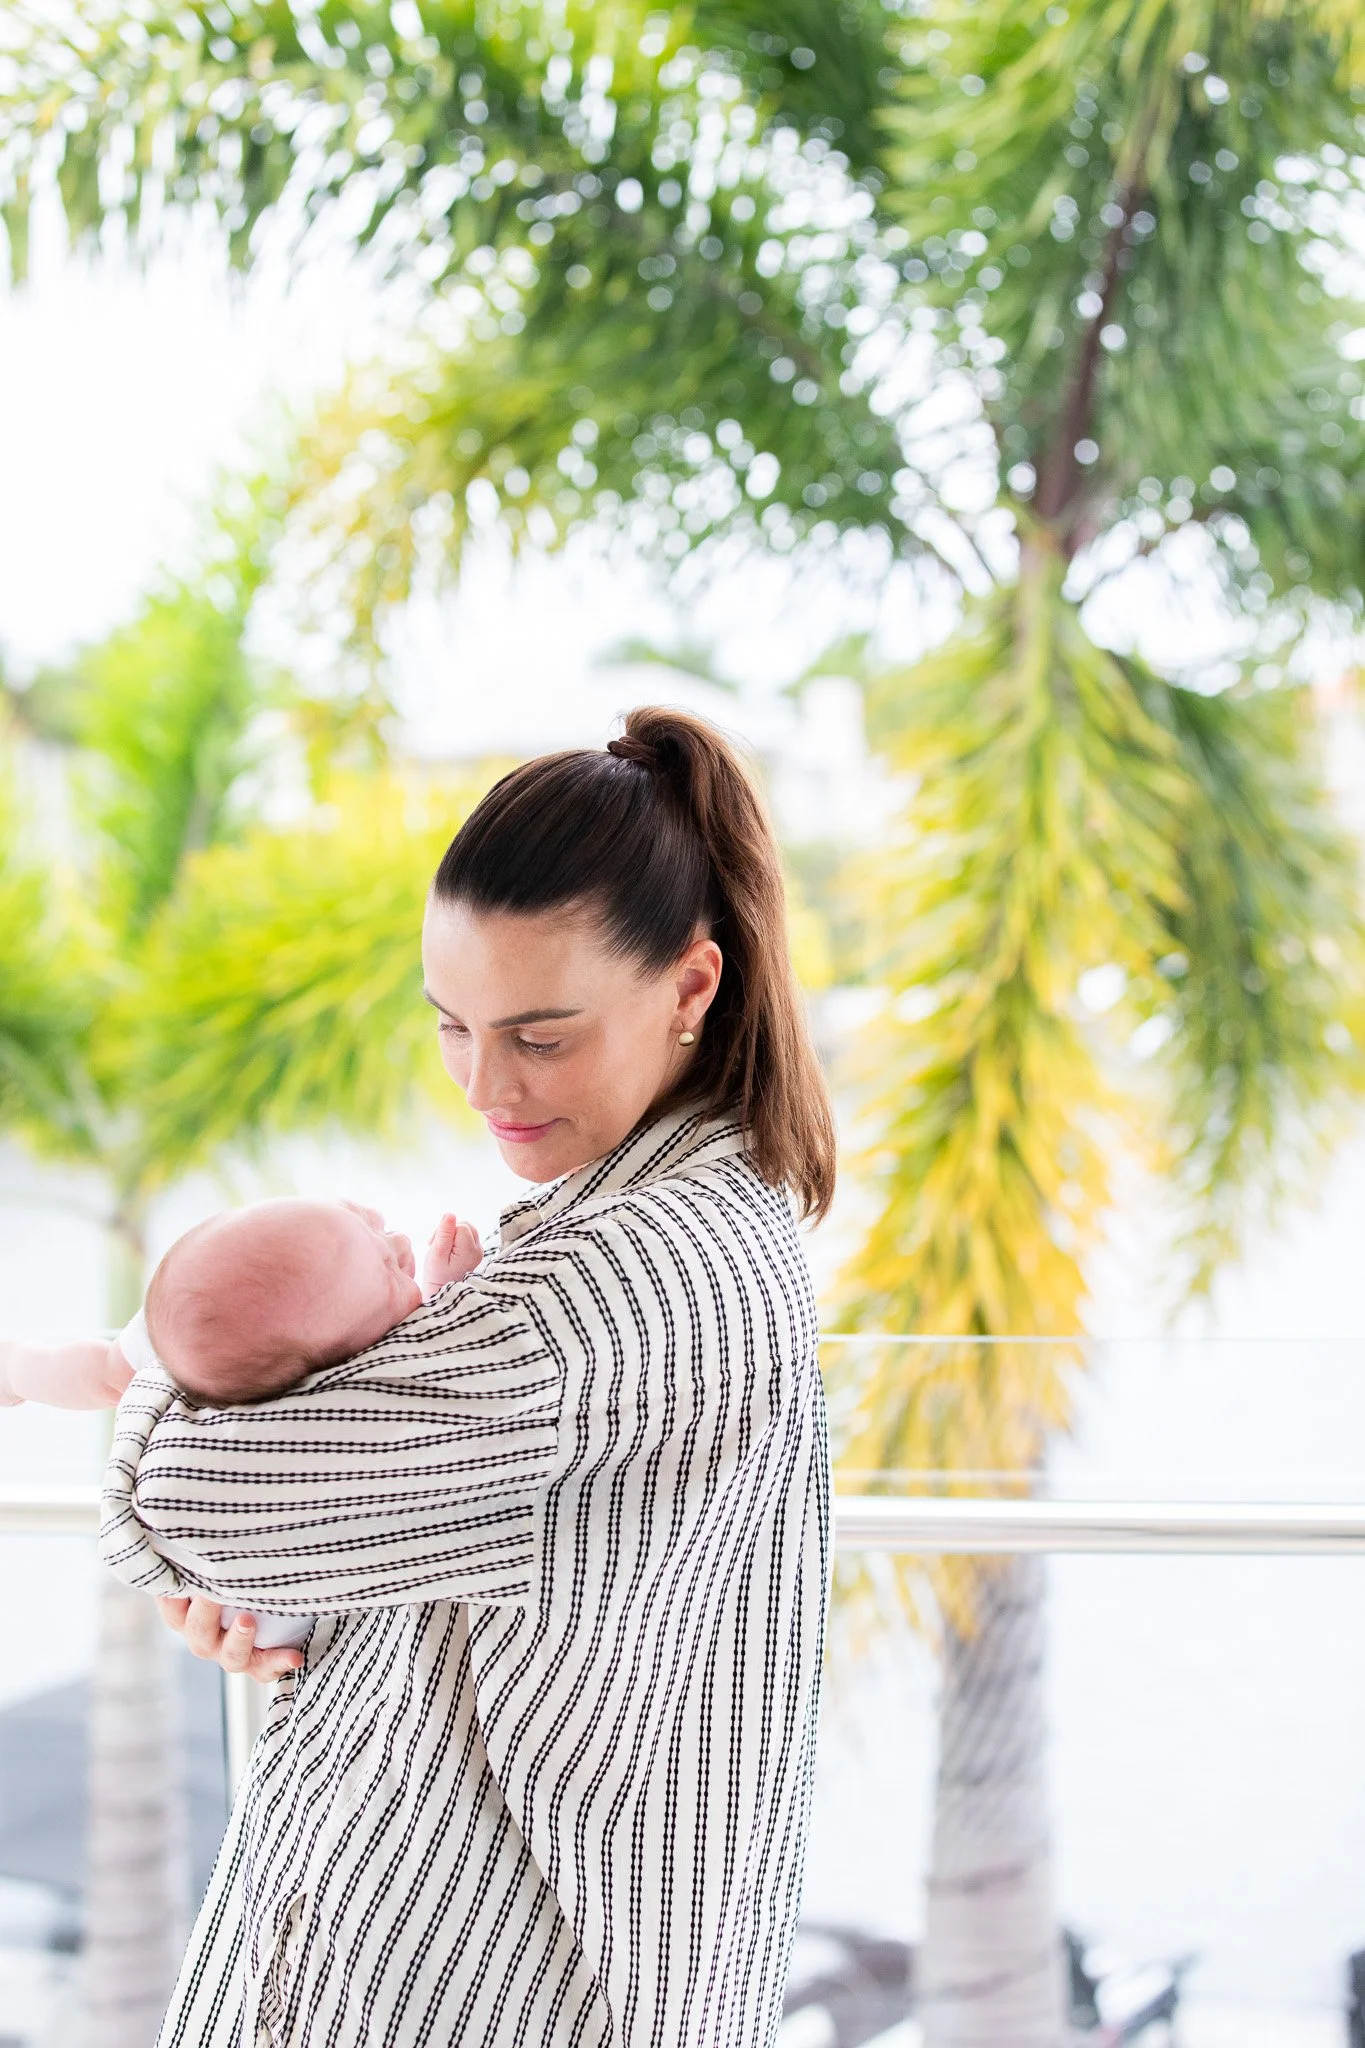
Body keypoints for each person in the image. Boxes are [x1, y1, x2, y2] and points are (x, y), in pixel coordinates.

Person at [98, 706, 836, 2048]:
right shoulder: (686, 1229)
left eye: (540, 1037)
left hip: (451, 1985)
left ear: (692, 986)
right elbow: (522, 1586)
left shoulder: (603, 1289)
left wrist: (184, 1382)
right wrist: (300, 1593)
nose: (485, 1088)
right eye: (452, 1027)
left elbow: (172, 1497)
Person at [2, 1199, 482, 1645]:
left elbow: (103, 1374)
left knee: (102, 1368)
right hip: (264, 1603)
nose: (401, 1244)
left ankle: (17, 1368)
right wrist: (445, 1289)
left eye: (368, 1224)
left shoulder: (218, 1327)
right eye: (391, 1270)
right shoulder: (358, 1375)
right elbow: (427, 1355)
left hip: (229, 1583)